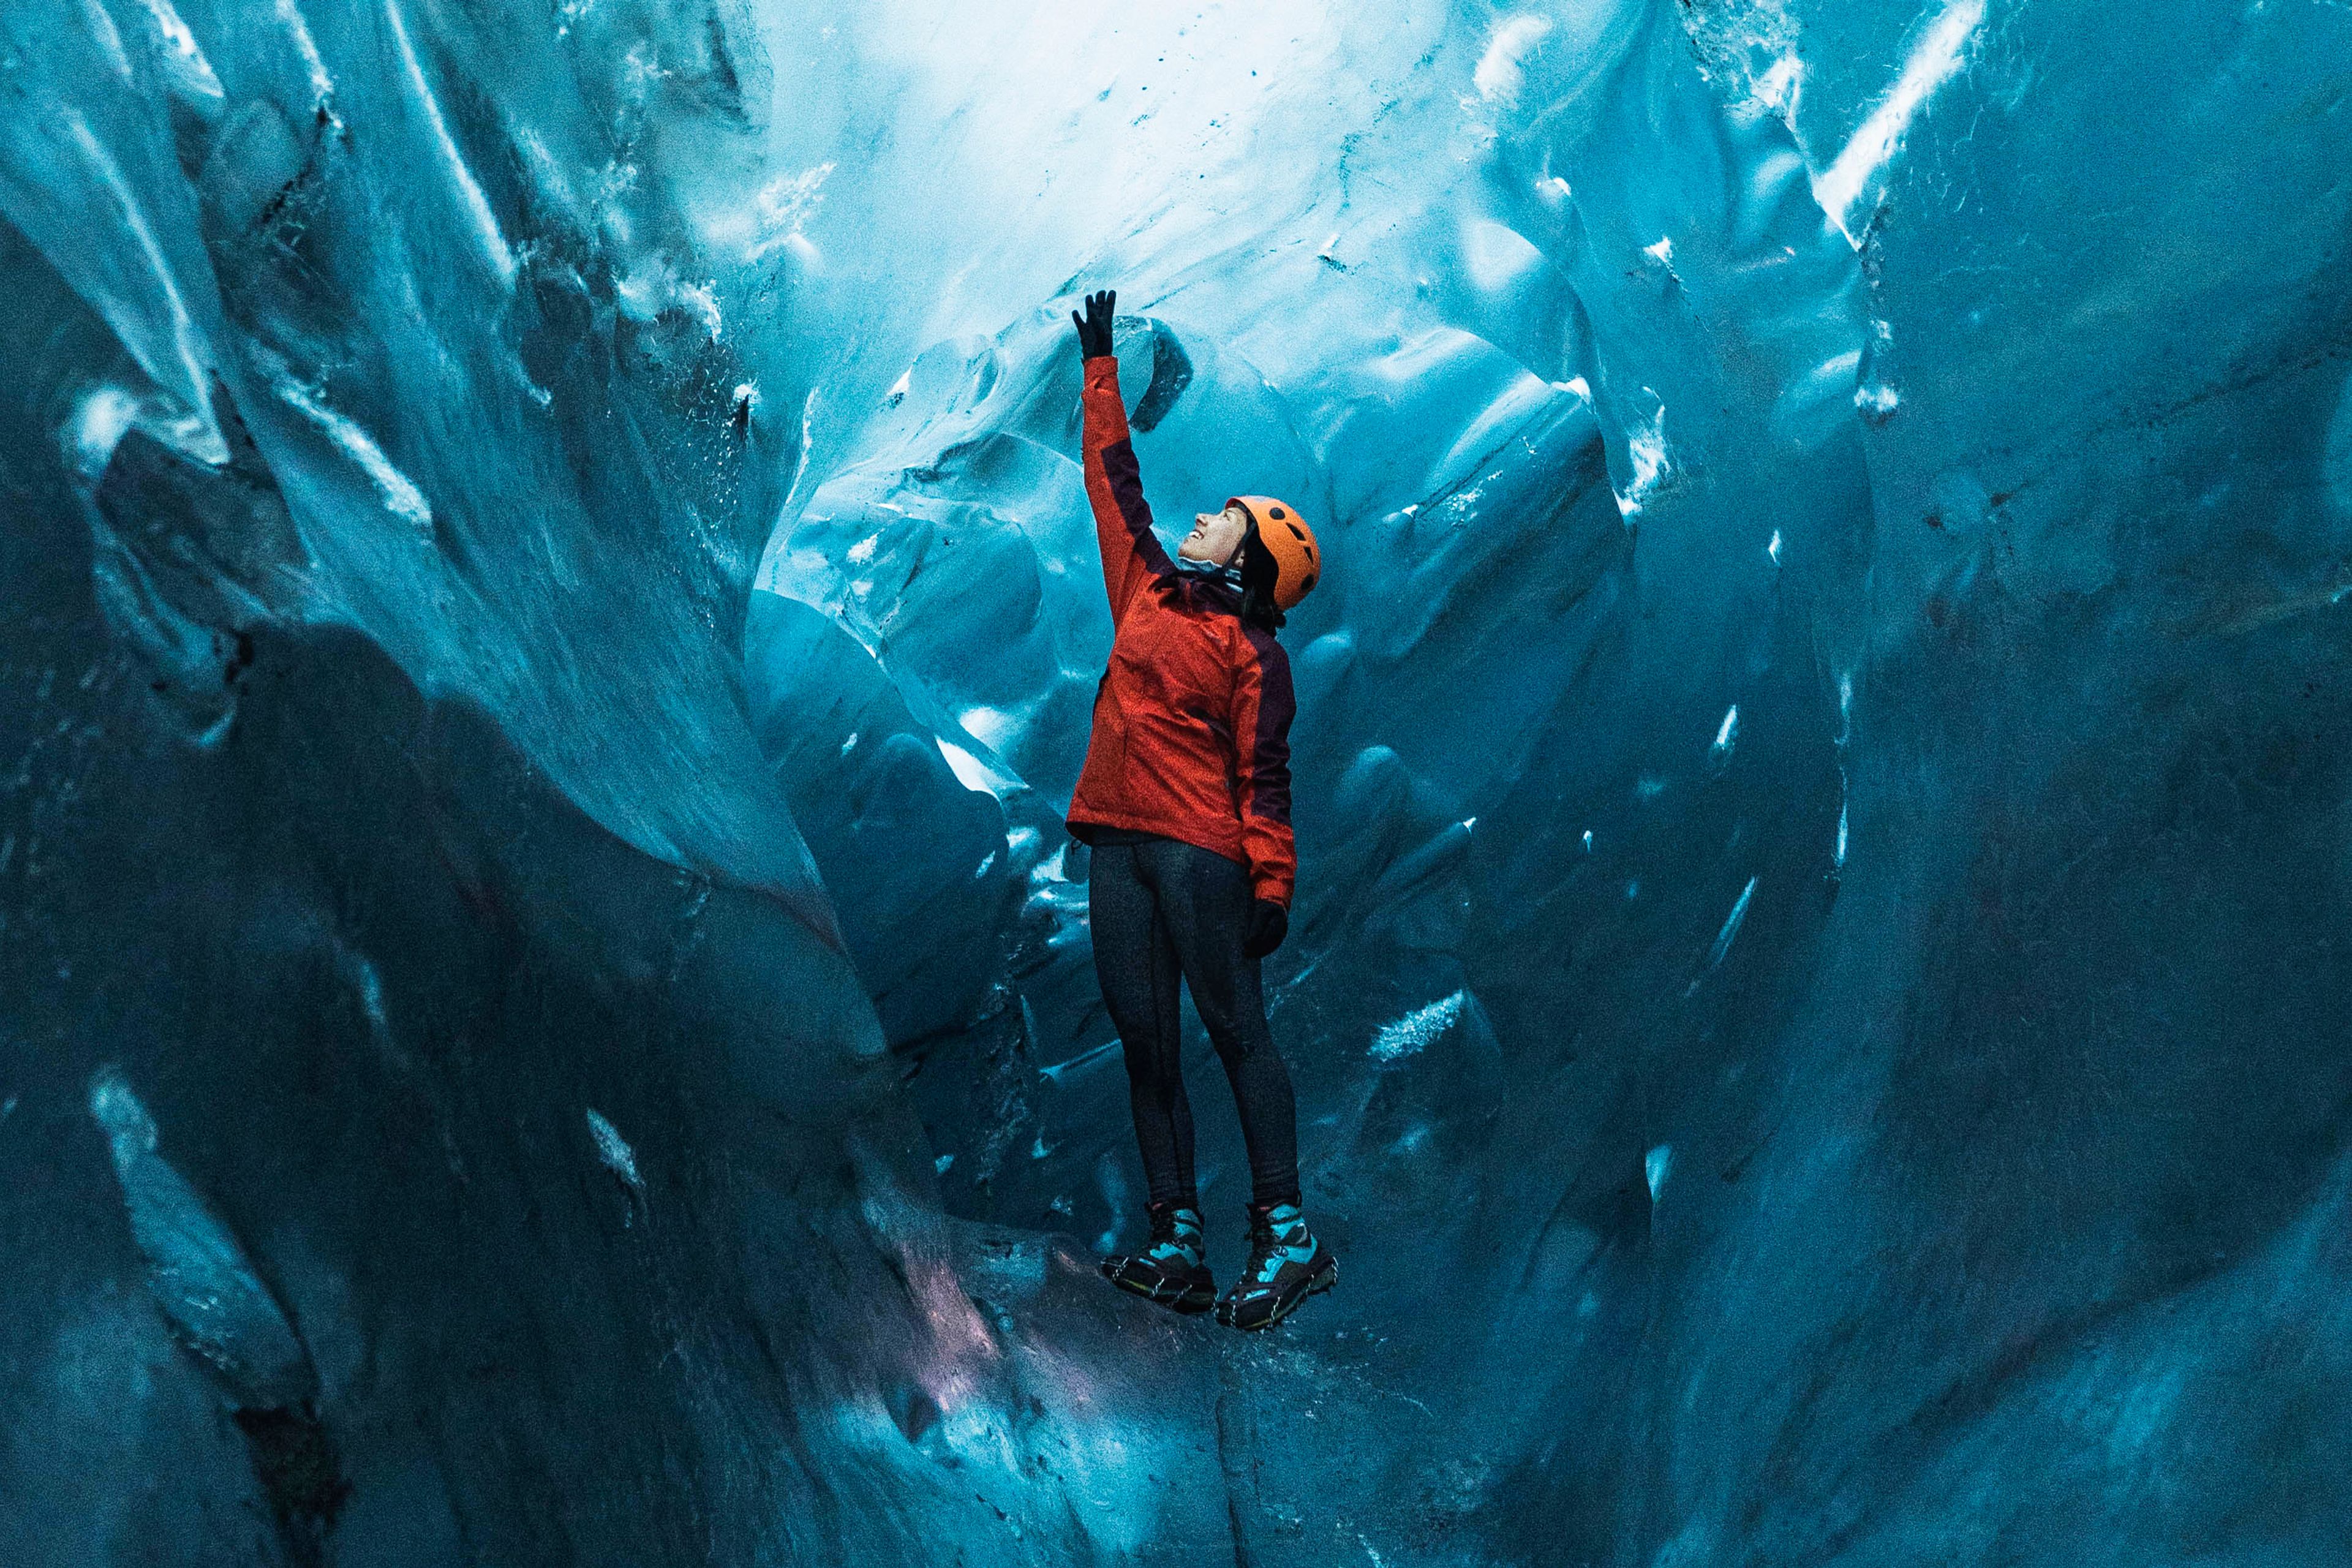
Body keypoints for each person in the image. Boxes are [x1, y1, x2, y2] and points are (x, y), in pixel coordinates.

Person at [1063, 288, 1335, 1331]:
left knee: (1235, 1034)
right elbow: (1111, 484)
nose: (1203, 517)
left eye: (1226, 518)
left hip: (1199, 856)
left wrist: (1271, 881)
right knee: (1147, 1043)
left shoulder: (1253, 654)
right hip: (1119, 845)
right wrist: (1100, 367)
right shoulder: (1146, 587)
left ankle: (1287, 1237)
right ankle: (1178, 1239)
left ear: (1252, 557)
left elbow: (1267, 779)